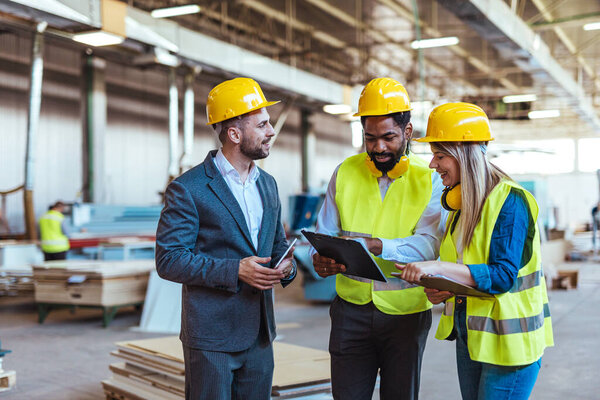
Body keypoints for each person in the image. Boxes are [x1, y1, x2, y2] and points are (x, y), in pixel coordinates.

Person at [397, 102, 554, 400]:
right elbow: (469, 270)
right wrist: (444, 289)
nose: (433, 164)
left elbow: (503, 275)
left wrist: (439, 268)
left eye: (440, 155)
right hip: (473, 338)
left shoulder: (511, 202)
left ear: (463, 154)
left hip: (510, 348)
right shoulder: (462, 207)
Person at [155, 77, 297, 400]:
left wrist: (286, 267)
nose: (271, 131)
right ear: (234, 134)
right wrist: (236, 270)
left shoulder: (269, 185)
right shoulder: (188, 189)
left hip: (260, 335)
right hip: (212, 340)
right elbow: (169, 260)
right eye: (262, 125)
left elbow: (276, 246)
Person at [311, 77, 444, 400]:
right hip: (350, 310)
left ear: (407, 132)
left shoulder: (430, 178)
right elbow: (324, 233)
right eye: (370, 138)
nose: (379, 147)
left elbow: (430, 243)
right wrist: (321, 259)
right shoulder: (345, 172)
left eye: (388, 137)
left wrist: (379, 246)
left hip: (405, 315)